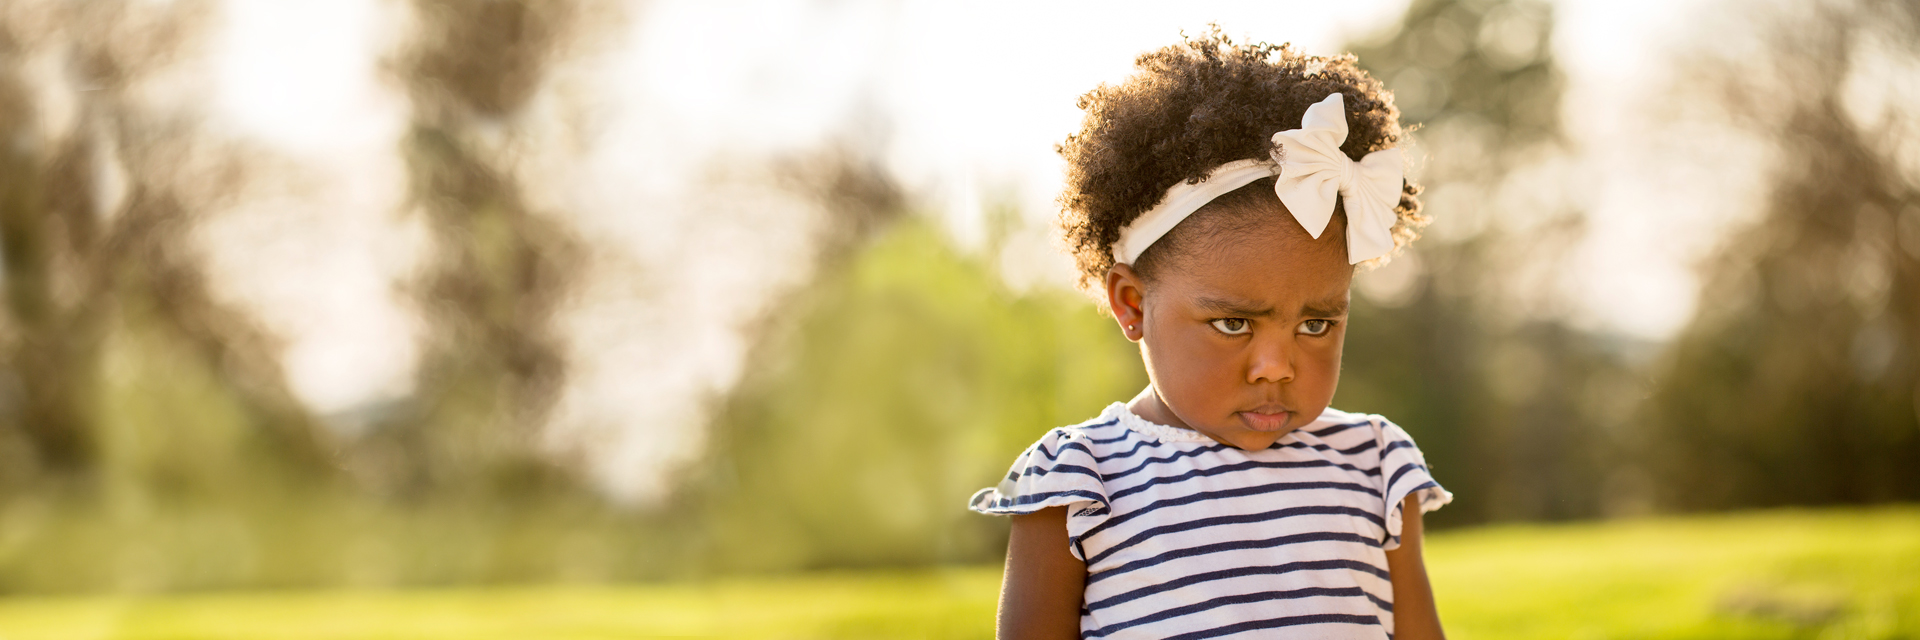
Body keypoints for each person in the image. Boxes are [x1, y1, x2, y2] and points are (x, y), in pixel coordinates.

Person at [968, 30, 1451, 640]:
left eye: (1316, 324)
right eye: (1233, 324)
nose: (1276, 366)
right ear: (1132, 301)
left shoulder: (1376, 467)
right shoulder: (1078, 481)